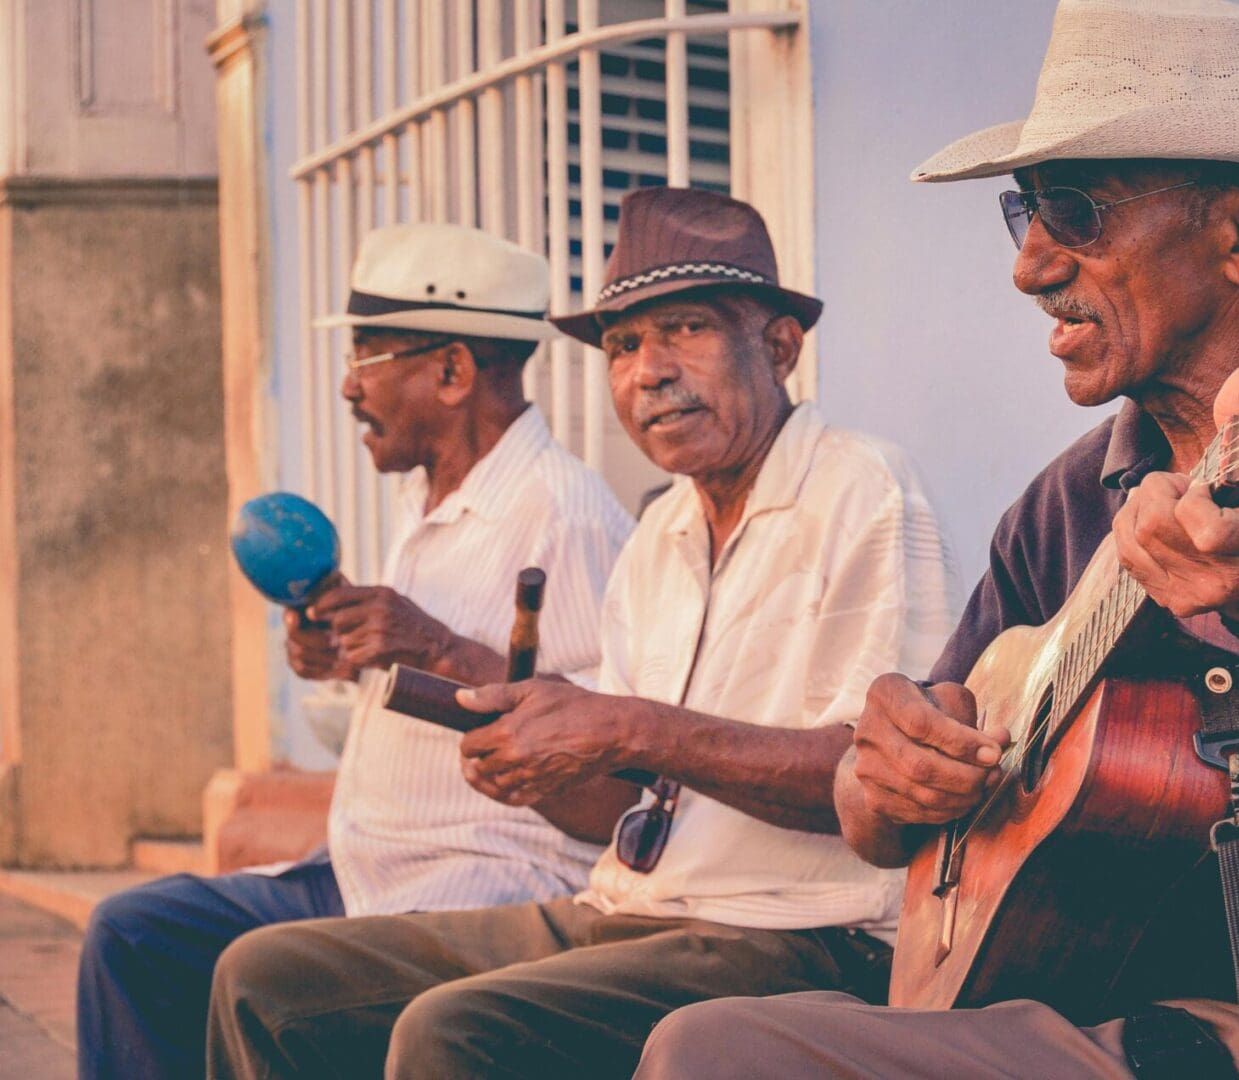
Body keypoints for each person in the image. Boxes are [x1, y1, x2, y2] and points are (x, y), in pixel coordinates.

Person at [634, 3, 1239, 1079]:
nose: (1027, 267)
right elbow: (884, 817)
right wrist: (883, 774)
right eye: (1025, 212)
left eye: (1075, 213)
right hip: (1084, 1016)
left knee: (716, 1051)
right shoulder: (1060, 510)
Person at [202, 186, 964, 1079]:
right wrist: (537, 768)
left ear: (779, 346)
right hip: (631, 905)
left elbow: (878, 781)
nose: (649, 371)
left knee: (452, 1030)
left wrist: (633, 727)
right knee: (265, 977)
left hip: (795, 930)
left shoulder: (863, 488)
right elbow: (620, 808)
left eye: (685, 329)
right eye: (624, 346)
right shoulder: (660, 535)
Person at [77, 223, 634, 1080]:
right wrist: (352, 654)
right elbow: (432, 659)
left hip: (484, 880)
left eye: (368, 356)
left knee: (270, 980)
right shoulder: (430, 496)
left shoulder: (568, 513)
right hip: (362, 868)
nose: (348, 385)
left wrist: (437, 645)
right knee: (135, 932)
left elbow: (613, 748)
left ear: (451, 372)